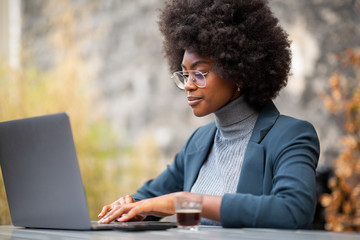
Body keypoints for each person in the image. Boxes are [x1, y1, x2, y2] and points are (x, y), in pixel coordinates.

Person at [98, 0, 320, 229]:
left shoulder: (291, 135)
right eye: (185, 75)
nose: (188, 85)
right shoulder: (199, 142)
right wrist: (131, 206)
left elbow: (293, 210)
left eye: (200, 73)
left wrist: (186, 202)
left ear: (238, 72)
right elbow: (151, 199)